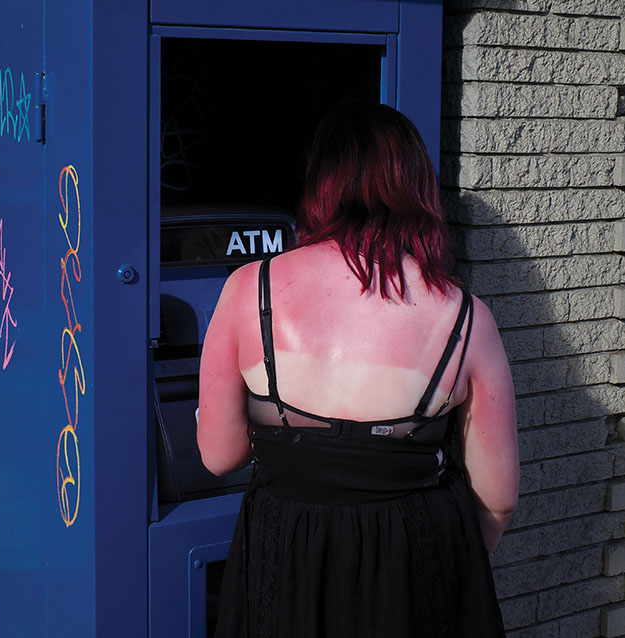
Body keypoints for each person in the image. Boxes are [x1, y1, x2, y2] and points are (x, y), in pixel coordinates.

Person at [197, 102, 518, 637]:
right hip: (417, 558)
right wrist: (445, 559)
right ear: (416, 187)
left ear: (321, 182)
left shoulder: (247, 289)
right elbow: (499, 497)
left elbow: (218, 455)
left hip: (286, 556)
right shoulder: (464, 315)